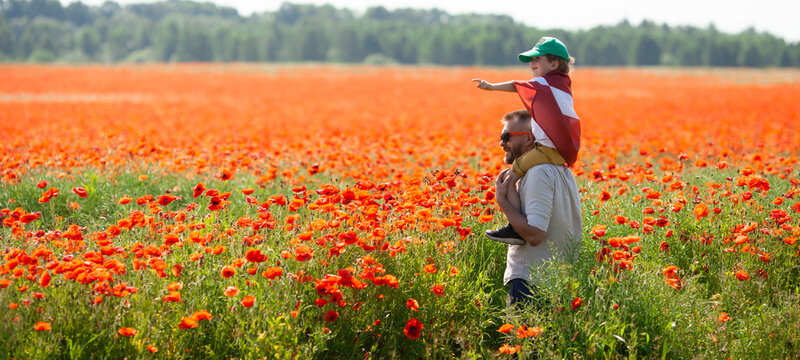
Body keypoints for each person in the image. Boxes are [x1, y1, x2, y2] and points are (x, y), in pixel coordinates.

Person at [473, 37, 581, 243]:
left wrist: (492, 86)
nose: (531, 64)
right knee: (513, 175)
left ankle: (515, 227)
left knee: (509, 178)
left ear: (554, 64)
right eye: (530, 60)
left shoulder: (543, 83)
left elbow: (517, 85)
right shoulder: (563, 85)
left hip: (547, 149)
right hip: (556, 149)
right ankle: (517, 224)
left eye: (537, 59)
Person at [493, 109, 583, 307]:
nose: (501, 143)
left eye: (506, 137)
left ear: (527, 138)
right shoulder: (559, 169)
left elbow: (534, 235)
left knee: (525, 338)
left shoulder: (538, 173)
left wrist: (502, 201)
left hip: (531, 283)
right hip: (557, 282)